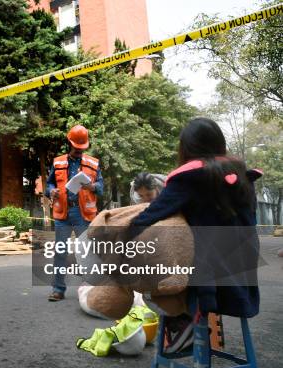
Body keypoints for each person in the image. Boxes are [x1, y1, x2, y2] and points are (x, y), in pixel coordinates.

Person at [128, 117, 261, 353]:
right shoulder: (243, 176)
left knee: (147, 277)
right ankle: (186, 325)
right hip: (242, 277)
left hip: (206, 284)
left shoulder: (189, 178)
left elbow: (148, 218)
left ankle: (183, 324)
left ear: (186, 149)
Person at [45, 124, 104, 301]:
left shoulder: (93, 164)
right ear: (70, 143)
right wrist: (51, 191)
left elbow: (101, 188)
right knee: (60, 252)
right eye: (76, 148)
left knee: (87, 253)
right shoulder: (58, 162)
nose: (79, 151)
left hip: (83, 214)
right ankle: (58, 290)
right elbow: (49, 184)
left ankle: (92, 288)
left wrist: (92, 186)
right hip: (63, 212)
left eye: (82, 148)